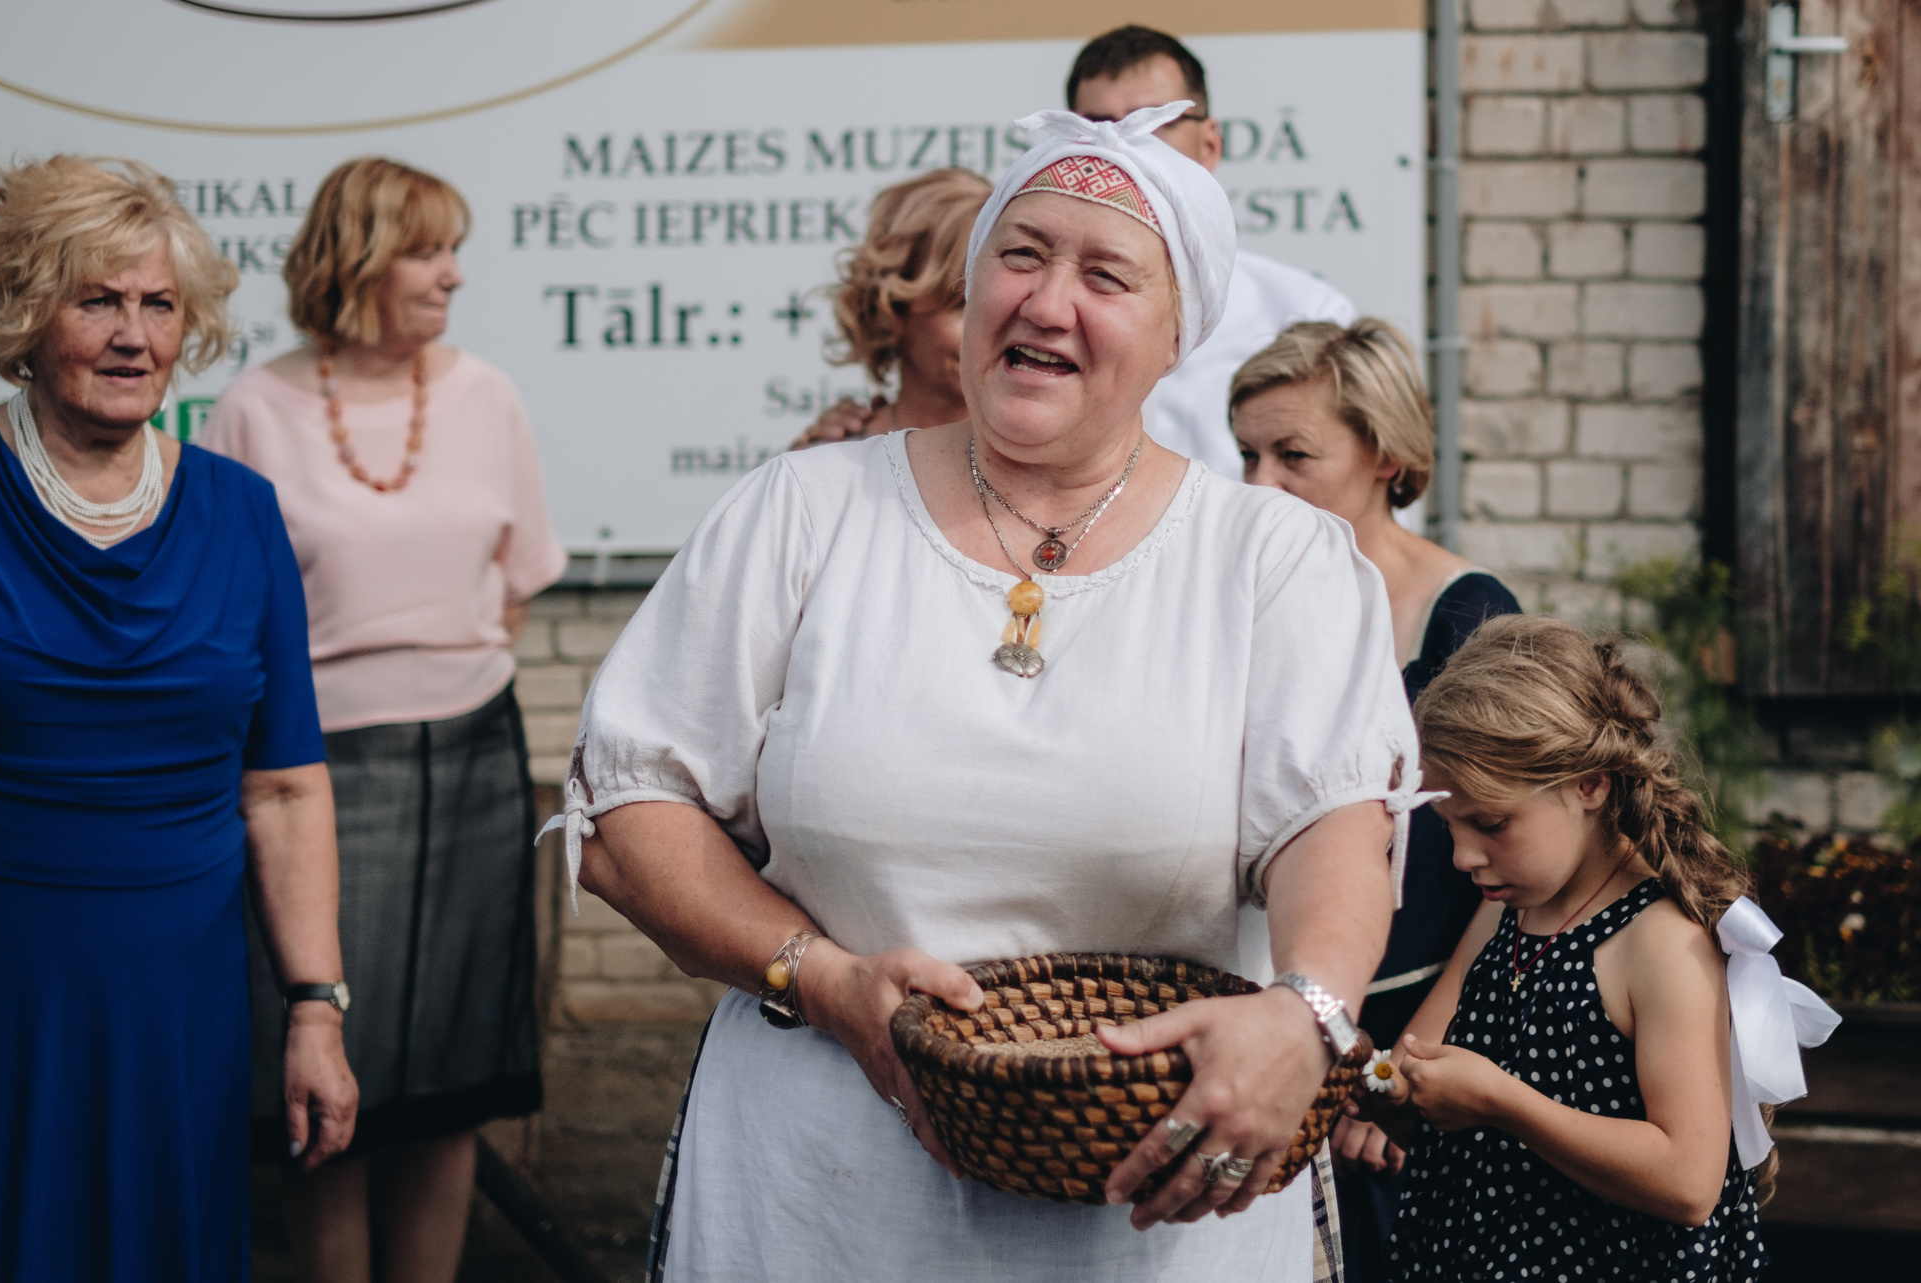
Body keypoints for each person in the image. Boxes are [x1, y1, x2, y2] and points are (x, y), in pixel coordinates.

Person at [543, 99, 1432, 1281]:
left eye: (1106, 274)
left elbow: (1333, 830)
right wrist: (827, 983)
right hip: (820, 1204)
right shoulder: (803, 511)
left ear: (1177, 337)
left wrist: (1303, 1013)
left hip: (1155, 1226)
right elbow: (629, 814)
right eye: (1019, 255)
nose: (1047, 301)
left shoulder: (1274, 558)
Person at [0, 155, 356, 1283]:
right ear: (24, 314)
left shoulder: (241, 512)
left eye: (157, 305)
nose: (133, 335)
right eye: (96, 300)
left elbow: (285, 785)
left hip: (174, 1002)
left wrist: (316, 1008)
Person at [198, 157, 564, 1283]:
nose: (453, 275)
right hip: (313, 776)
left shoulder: (486, 393)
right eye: (428, 249)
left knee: (451, 1071)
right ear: (357, 260)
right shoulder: (254, 409)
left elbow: (517, 577)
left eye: (455, 250)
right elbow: (222, 614)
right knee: (329, 1073)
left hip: (469, 761)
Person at [1225, 319, 1520, 1280]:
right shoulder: (1246, 603)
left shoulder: (1467, 619)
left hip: (1406, 1047)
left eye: (1294, 454)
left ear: (1387, 454)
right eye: (1246, 454)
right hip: (1267, 1029)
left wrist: (1400, 1071)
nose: (1259, 483)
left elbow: (1515, 878)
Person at [1358, 617, 1781, 1281]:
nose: (1464, 854)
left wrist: (1502, 1101)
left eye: (1491, 823)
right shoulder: (1505, 911)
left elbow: (1688, 1181)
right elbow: (1463, 1140)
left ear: (1589, 785)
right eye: (1449, 827)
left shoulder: (1661, 942)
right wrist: (1392, 1092)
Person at [1075, 26, 1353, 479]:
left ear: (1209, 145)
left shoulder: (1304, 313)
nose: (1122, 149)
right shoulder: (1041, 311)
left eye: (1151, 124)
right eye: (1097, 128)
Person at [787, 166, 987, 450]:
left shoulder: (1050, 460)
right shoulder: (829, 463)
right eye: (961, 305)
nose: (991, 328)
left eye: (1000, 304)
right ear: (890, 312)